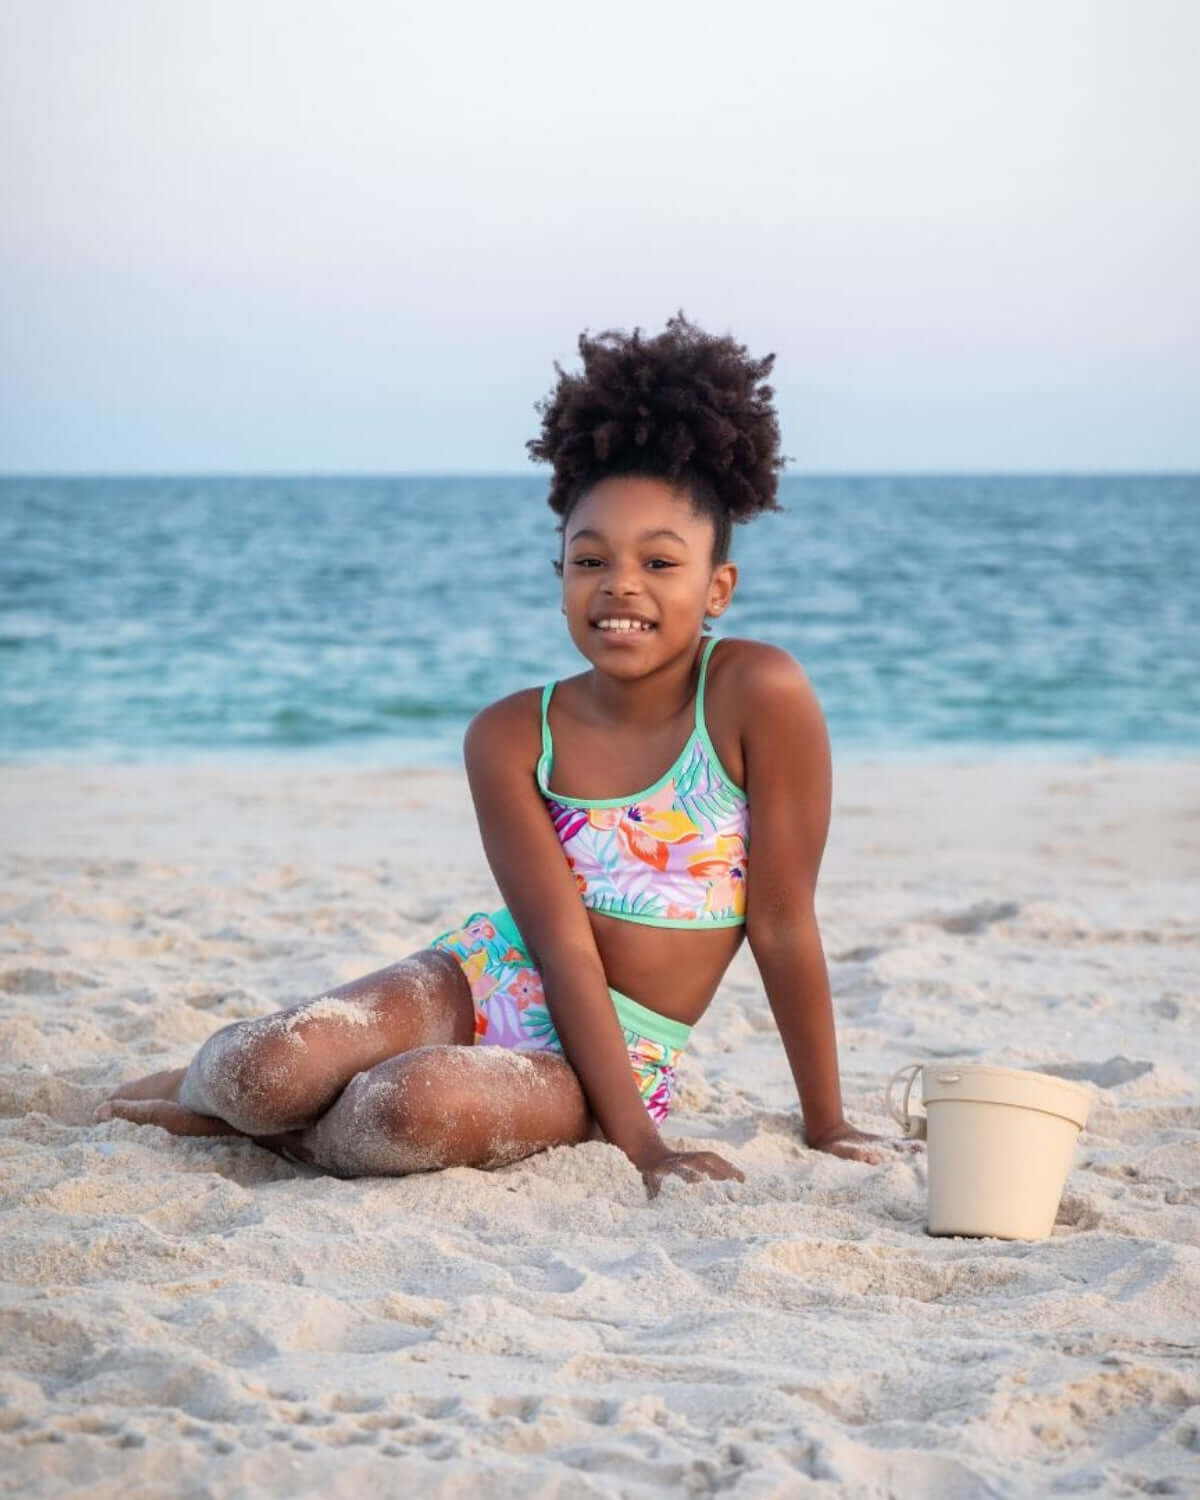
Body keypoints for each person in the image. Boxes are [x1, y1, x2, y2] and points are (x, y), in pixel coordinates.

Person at [96, 313, 906, 1196]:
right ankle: (196, 1092)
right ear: (559, 573)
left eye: (660, 563)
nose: (620, 584)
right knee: (270, 1064)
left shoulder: (758, 692)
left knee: (402, 1108)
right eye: (589, 558)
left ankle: (256, 1138)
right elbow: (560, 945)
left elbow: (782, 923)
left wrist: (807, 1123)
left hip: (616, 1060)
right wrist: (648, 1152)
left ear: (719, 587)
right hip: (482, 977)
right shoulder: (513, 733)